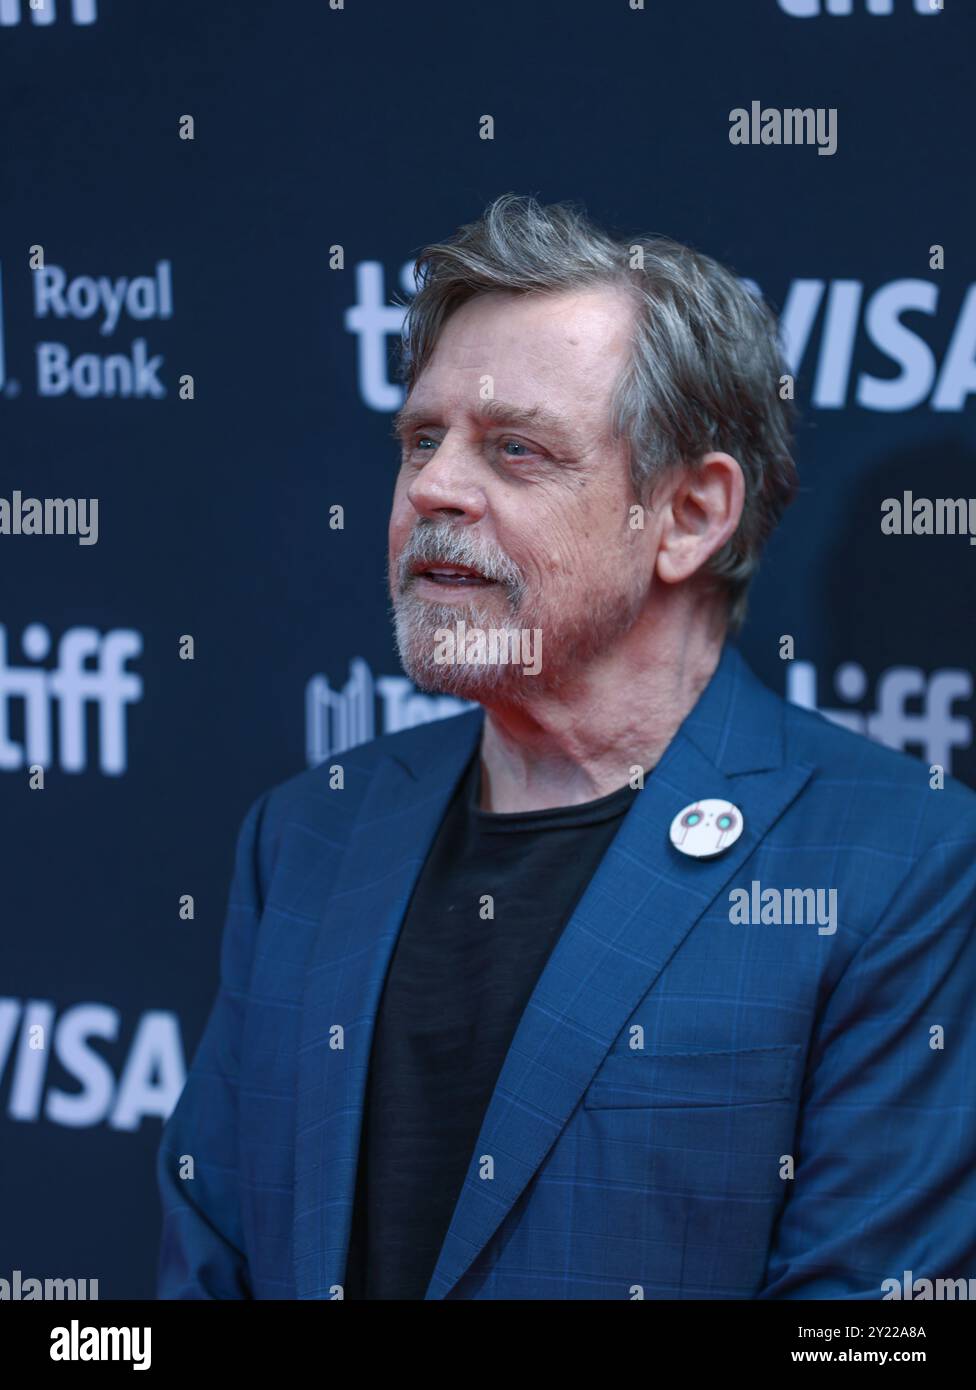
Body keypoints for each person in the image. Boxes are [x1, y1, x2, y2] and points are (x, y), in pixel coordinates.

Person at [157, 194, 976, 1300]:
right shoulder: (306, 834)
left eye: (515, 449)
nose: (434, 487)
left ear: (687, 515)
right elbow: (210, 1262)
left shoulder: (898, 863)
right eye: (418, 440)